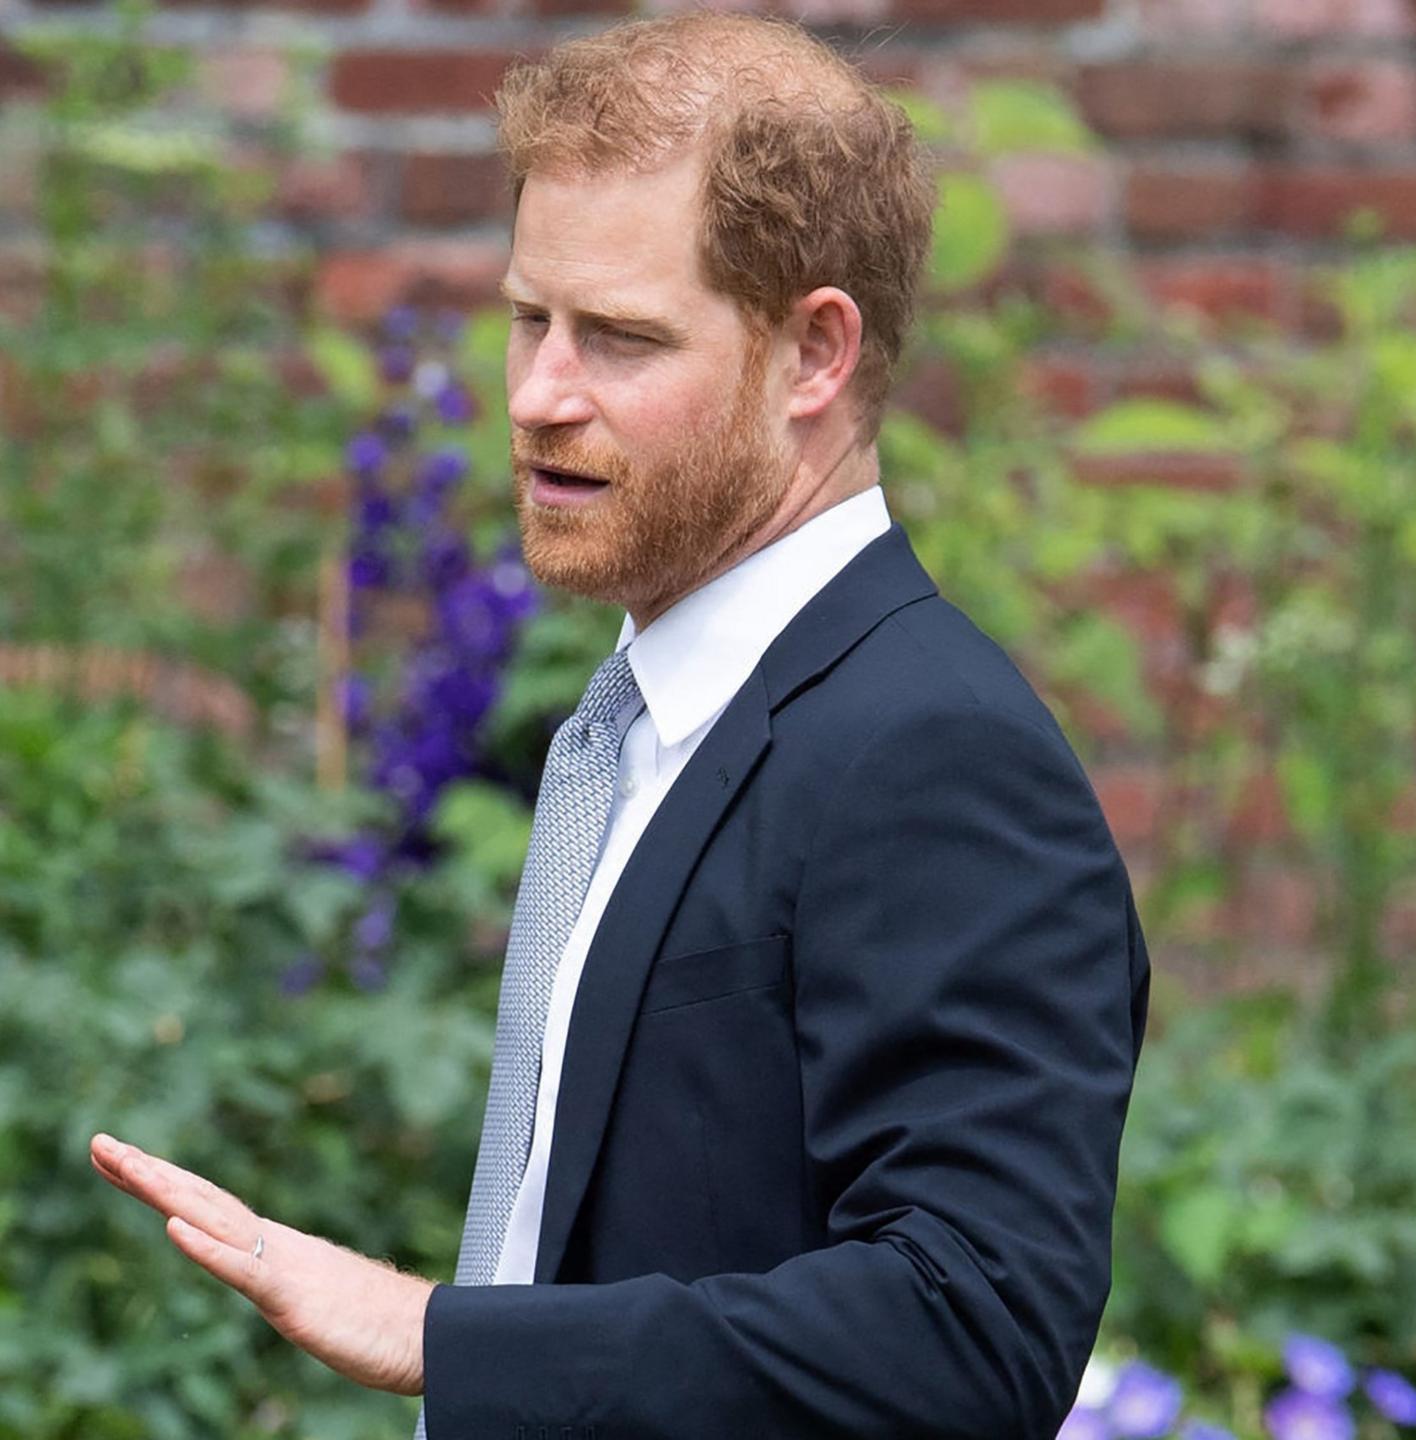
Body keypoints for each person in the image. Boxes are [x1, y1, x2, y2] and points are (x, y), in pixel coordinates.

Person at [90, 15, 1148, 1437]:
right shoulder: (645, 719)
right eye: (531, 318)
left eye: (621, 338)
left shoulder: (932, 754)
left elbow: (973, 1327)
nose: (537, 396)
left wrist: (437, 1336)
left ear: (815, 354)